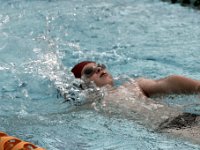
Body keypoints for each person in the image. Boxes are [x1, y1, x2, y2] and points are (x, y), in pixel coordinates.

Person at [71, 61, 200, 143]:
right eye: (89, 71)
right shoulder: (89, 107)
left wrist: (197, 87)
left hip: (181, 121)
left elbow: (167, 83)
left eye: (100, 66)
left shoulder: (133, 86)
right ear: (81, 84)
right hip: (169, 129)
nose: (98, 69)